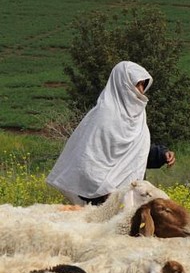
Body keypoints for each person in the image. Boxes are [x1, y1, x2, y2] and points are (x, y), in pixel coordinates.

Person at [46, 61, 176, 206]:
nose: (141, 90)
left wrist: (162, 154)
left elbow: (134, 153)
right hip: (99, 202)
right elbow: (87, 161)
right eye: (137, 84)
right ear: (124, 84)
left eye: (143, 85)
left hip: (130, 198)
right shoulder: (103, 116)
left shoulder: (138, 116)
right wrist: (106, 190)